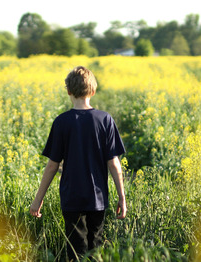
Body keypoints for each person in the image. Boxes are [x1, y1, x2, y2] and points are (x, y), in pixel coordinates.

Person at [29, 66, 127, 261]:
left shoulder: (61, 122)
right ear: (93, 90)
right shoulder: (105, 120)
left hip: (71, 198)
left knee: (75, 253)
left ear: (68, 91)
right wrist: (121, 197)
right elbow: (114, 163)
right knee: (95, 251)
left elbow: (52, 166)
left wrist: (38, 199)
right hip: (98, 199)